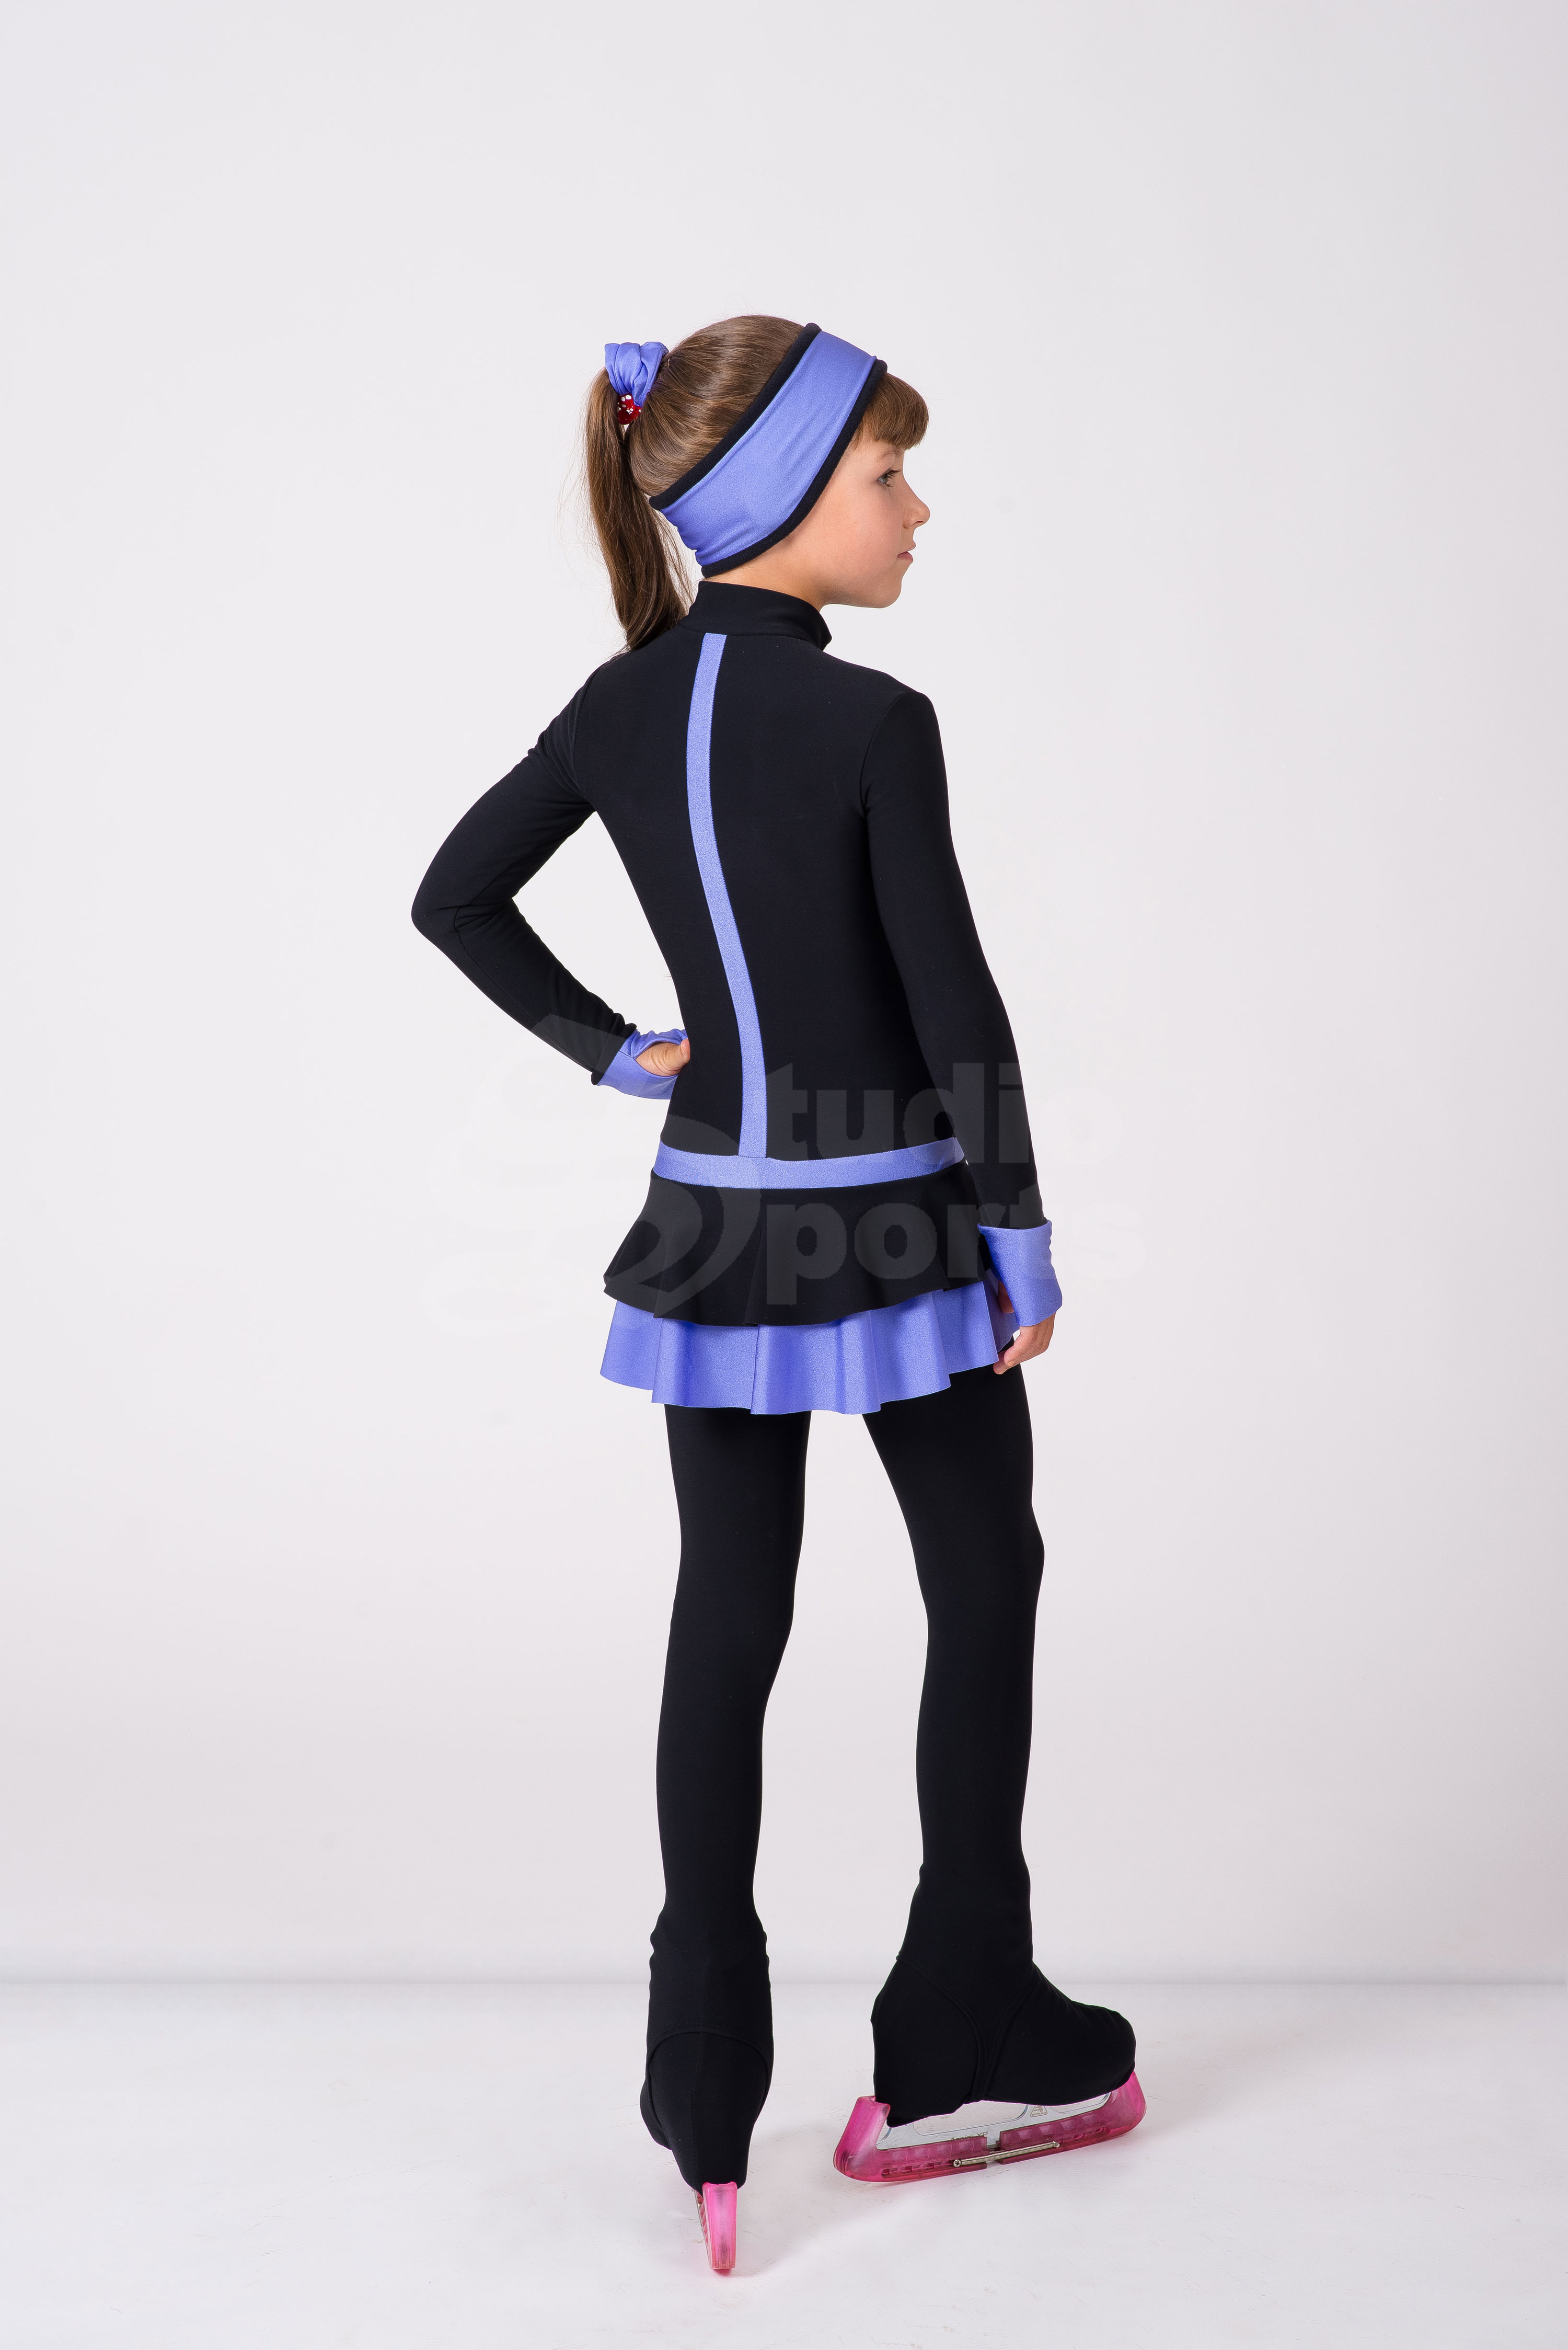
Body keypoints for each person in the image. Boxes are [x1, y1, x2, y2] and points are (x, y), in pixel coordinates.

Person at [412, 317, 1142, 2273]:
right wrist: (1022, 1230)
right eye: (889, 477)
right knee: (984, 1575)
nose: (918, 513)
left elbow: (454, 894)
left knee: (727, 1619)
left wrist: (612, 1050)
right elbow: (951, 999)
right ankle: (965, 2017)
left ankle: (704, 2085)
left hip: (715, 1229)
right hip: (895, 1222)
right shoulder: (876, 721)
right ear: (789, 499)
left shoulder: (617, 706)